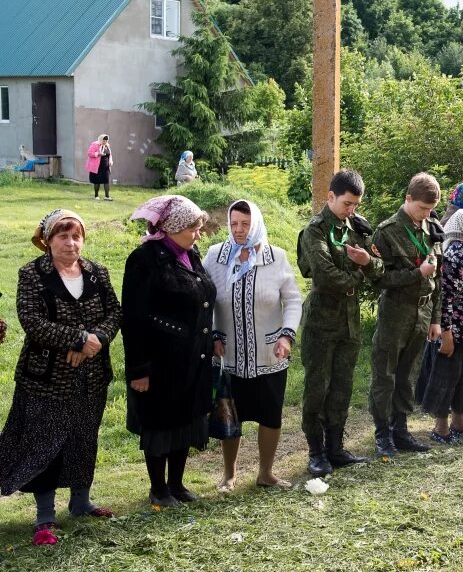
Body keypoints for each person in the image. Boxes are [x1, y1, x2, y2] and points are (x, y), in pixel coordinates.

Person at [0, 210, 121, 544]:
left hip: (92, 375)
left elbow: (114, 313)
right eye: (63, 236)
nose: (71, 243)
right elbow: (32, 321)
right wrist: (78, 339)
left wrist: (92, 341)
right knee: (46, 442)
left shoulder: (97, 272)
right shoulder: (32, 274)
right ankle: (45, 518)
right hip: (46, 378)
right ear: (47, 240)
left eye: (76, 236)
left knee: (84, 437)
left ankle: (81, 503)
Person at [122, 195, 215, 507]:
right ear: (173, 227)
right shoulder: (145, 259)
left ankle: (176, 484)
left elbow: (202, 298)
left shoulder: (190, 253)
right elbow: (133, 318)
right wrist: (139, 370)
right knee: (160, 425)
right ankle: (158, 489)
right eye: (193, 227)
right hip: (160, 361)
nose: (198, 233)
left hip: (192, 358)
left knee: (186, 421)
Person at [204, 200, 302, 491]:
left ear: (256, 223)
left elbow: (293, 300)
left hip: (269, 354)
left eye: (245, 224)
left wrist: (287, 335)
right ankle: (229, 475)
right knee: (230, 415)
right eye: (234, 223)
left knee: (270, 415)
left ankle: (266, 473)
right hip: (229, 355)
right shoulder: (216, 256)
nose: (239, 230)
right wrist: (212, 335)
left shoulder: (275, 257)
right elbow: (205, 297)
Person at [297, 170, 384, 474]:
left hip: (349, 323)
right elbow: (325, 276)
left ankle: (335, 447)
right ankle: (316, 451)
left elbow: (379, 268)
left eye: (356, 205)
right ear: (330, 196)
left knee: (342, 387)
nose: (352, 210)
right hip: (321, 322)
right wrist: (359, 274)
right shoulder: (315, 231)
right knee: (317, 388)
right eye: (347, 203)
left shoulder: (357, 229)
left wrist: (367, 262)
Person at [368, 172, 444, 456]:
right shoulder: (386, 231)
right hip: (396, 311)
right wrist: (416, 274)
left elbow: (439, 279)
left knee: (408, 374)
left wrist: (436, 318)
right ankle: (383, 434)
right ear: (408, 199)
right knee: (385, 374)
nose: (427, 214)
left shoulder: (433, 226)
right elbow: (379, 279)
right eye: (422, 208)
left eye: (431, 209)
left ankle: (401, 430)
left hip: (423, 312)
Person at [421, 209, 463, 443]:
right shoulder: (456, 255)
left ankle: (459, 423)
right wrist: (447, 334)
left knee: (462, 378)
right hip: (455, 329)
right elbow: (446, 297)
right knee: (447, 378)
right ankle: (440, 428)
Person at [415, 181, 463, 403]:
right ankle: (431, 400)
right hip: (446, 306)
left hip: (456, 310)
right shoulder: (452, 223)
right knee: (441, 355)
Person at [86, 134, 113, 201]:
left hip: (106, 167)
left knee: (106, 181)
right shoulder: (94, 144)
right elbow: (89, 153)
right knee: (97, 181)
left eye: (106, 141)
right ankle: (96, 195)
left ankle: (107, 196)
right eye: (104, 140)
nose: (105, 142)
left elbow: (110, 155)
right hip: (97, 167)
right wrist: (98, 153)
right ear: (100, 139)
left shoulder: (107, 145)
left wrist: (111, 161)